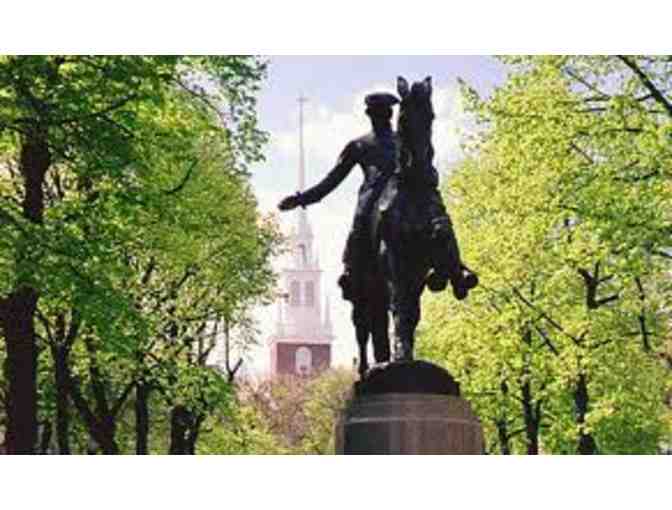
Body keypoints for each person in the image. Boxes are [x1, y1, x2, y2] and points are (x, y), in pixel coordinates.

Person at [278, 92, 472, 300]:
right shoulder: (359, 145)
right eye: (377, 113)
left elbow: (425, 167)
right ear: (371, 115)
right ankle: (352, 270)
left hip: (405, 193)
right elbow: (332, 180)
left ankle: (455, 270)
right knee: (361, 220)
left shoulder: (405, 142)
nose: (381, 117)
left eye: (383, 113)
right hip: (374, 197)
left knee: (439, 217)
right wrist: (301, 199)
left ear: (388, 115)